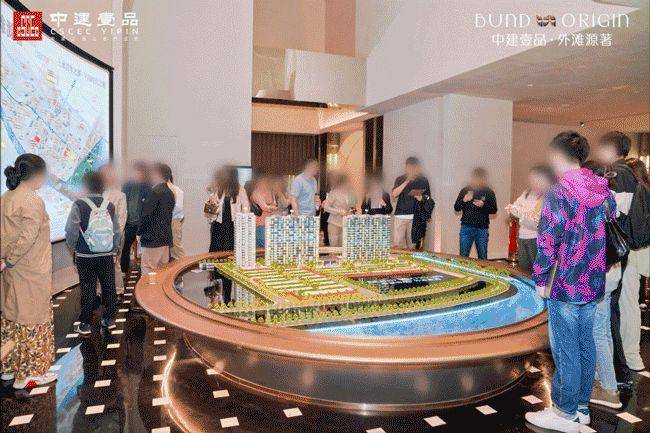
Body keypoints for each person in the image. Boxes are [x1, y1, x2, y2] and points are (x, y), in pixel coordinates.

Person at [525, 131, 615, 432]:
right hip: (593, 279)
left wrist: (541, 277)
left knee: (566, 348)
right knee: (585, 343)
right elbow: (612, 216)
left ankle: (564, 413)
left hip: (565, 280)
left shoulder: (560, 191)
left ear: (557, 155)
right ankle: (580, 408)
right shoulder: (601, 187)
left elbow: (548, 239)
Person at [0, 154, 57, 389]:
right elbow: (28, 237)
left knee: (12, 317)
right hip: (31, 271)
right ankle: (29, 374)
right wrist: (11, 260)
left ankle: (10, 368)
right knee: (33, 320)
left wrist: (6, 261)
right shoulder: (32, 200)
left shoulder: (7, 197)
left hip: (13, 272)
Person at [595, 131, 636, 385]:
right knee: (609, 315)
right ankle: (615, 373)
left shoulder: (618, 174)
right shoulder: (626, 172)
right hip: (616, 251)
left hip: (611, 251)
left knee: (607, 318)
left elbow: (613, 211)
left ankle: (615, 375)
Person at [65, 171, 122, 334]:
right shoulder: (109, 205)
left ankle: (86, 324)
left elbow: (71, 230)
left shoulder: (78, 204)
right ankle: (109, 319)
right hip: (106, 255)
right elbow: (117, 232)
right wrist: (114, 250)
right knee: (109, 286)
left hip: (85, 255)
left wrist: (74, 248)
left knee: (88, 288)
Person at [621, 157, 649, 371]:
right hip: (640, 253)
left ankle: (631, 355)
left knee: (628, 305)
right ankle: (631, 354)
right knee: (630, 304)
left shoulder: (635, 194)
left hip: (631, 254)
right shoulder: (645, 192)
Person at [506, 165, 554, 272]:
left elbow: (537, 221)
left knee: (536, 269)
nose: (533, 182)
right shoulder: (526, 193)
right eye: (531, 178)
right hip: (523, 236)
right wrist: (516, 211)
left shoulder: (546, 196)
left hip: (535, 237)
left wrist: (522, 214)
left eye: (536, 178)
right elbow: (516, 206)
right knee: (523, 268)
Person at [138, 163, 175, 274]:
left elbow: (146, 215)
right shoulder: (170, 192)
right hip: (165, 238)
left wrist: (139, 232)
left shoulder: (154, 192)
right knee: (162, 272)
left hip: (152, 239)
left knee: (148, 271)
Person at [453, 167, 497, 260]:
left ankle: (482, 270)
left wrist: (483, 205)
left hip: (482, 229)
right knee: (463, 256)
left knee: (483, 257)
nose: (477, 180)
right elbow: (456, 208)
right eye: (475, 177)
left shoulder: (489, 192)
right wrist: (464, 200)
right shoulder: (465, 190)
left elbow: (494, 210)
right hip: (466, 227)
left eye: (479, 178)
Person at [206, 166, 249, 252]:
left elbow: (246, 208)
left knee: (232, 252)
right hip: (218, 226)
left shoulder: (240, 190)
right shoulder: (217, 189)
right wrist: (213, 208)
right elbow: (209, 211)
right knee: (216, 252)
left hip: (233, 226)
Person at [391, 157, 431, 249]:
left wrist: (422, 198)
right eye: (409, 167)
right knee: (398, 246)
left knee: (413, 246)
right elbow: (394, 194)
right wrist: (407, 181)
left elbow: (428, 197)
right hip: (400, 216)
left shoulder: (423, 180)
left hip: (416, 217)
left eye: (414, 167)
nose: (412, 170)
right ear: (406, 167)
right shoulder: (400, 179)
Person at [120, 161, 151, 275]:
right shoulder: (126, 185)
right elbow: (122, 201)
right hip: (128, 222)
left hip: (141, 223)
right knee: (125, 247)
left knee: (145, 249)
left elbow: (148, 205)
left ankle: (144, 273)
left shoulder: (147, 186)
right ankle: (124, 271)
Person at [99, 164, 127, 292]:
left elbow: (122, 218)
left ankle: (118, 290)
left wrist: (116, 237)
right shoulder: (97, 194)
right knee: (103, 264)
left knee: (114, 263)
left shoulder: (119, 195)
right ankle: (103, 290)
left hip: (114, 235)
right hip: (100, 235)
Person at [324, 174, 357, 247]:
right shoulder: (334, 193)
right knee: (334, 247)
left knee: (344, 247)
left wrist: (351, 211)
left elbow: (353, 208)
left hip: (345, 224)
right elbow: (326, 207)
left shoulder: (351, 194)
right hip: (334, 223)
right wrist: (338, 211)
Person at [251, 174, 277, 248]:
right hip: (260, 224)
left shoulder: (271, 191)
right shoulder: (257, 192)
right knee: (262, 246)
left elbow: (273, 206)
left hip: (269, 223)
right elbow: (264, 207)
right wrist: (273, 207)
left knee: (267, 247)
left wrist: (272, 207)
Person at [167, 174, 185, 260]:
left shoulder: (177, 190)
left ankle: (182, 266)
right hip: (166, 221)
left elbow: (177, 208)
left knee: (176, 249)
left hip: (174, 221)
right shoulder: (159, 189)